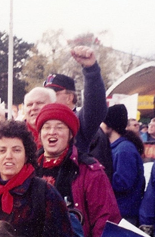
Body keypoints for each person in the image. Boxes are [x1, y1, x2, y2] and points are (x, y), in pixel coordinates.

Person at [36, 103, 121, 237]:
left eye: (59, 127)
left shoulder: (90, 171)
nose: (52, 132)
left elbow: (106, 221)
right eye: (46, 127)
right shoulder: (28, 168)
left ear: (70, 134)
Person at [43, 46, 112, 180]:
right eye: (45, 93)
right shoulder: (39, 122)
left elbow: (95, 107)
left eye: (53, 94)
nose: (47, 98)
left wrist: (91, 71)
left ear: (70, 97)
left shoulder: (79, 122)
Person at [101, 104, 145, 226]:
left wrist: (99, 177)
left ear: (110, 126)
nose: (100, 127)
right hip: (117, 212)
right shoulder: (114, 148)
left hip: (124, 215)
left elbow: (123, 183)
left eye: (102, 123)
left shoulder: (124, 150)